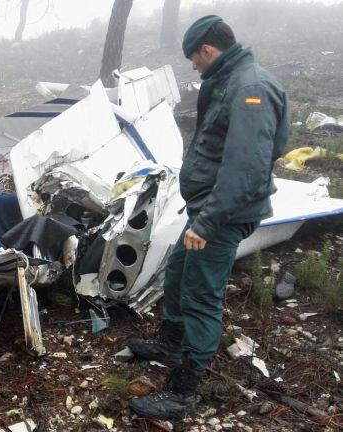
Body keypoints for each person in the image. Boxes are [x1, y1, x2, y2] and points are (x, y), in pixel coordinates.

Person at [127, 16, 290, 420]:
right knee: (180, 272)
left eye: (192, 59)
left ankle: (184, 391)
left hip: (221, 215)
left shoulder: (249, 88)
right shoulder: (229, 81)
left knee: (202, 296)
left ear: (207, 50)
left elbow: (247, 167)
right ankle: (170, 343)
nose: (192, 67)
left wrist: (208, 221)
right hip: (209, 208)